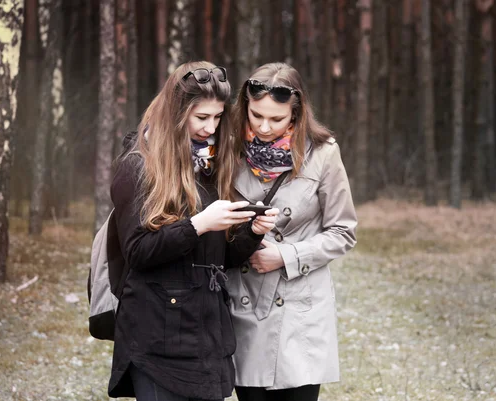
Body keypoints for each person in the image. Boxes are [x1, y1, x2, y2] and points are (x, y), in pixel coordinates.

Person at [107, 61, 279, 401]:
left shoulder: (207, 165)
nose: (210, 128)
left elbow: (216, 259)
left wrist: (251, 233)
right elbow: (138, 253)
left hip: (206, 338)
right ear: (175, 112)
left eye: (217, 118)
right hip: (156, 338)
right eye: (201, 118)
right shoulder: (137, 165)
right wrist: (198, 224)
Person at [227, 62, 358, 401]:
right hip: (245, 302)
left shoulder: (323, 153)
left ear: (296, 115)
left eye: (276, 119)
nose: (264, 127)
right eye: (256, 116)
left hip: (300, 308)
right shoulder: (227, 151)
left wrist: (285, 256)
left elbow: (343, 231)